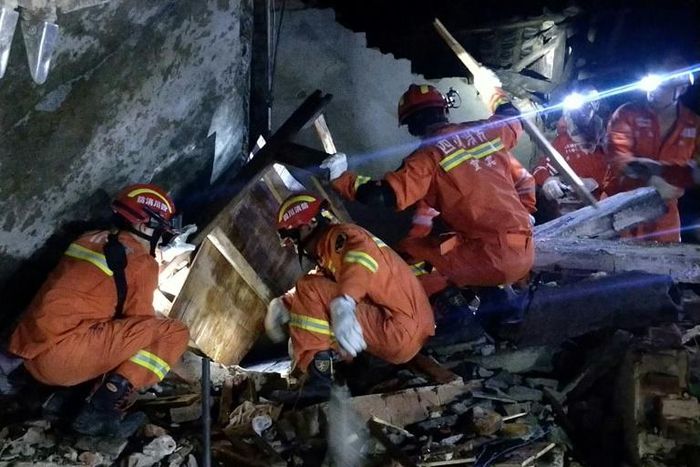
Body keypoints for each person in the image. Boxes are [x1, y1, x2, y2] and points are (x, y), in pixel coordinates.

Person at [320, 77, 535, 301]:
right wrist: (491, 86)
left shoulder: (427, 157)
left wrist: (340, 176)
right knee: (439, 244)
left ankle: (457, 317)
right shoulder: (487, 131)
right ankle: (493, 299)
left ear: (412, 125)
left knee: (415, 257)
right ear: (443, 110)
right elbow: (510, 114)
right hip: (524, 247)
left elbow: (380, 195)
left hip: (489, 259)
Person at [7, 183, 190, 437]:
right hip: (61, 362)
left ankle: (61, 399)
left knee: (110, 326)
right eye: (159, 230)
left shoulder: (86, 239)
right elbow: (140, 325)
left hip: (25, 350)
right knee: (173, 332)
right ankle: (102, 413)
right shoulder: (140, 261)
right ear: (142, 225)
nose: (159, 237)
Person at [264, 192, 435, 391]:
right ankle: (346, 369)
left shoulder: (342, 237)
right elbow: (325, 278)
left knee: (308, 287)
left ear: (308, 225)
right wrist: (284, 303)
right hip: (408, 330)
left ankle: (317, 380)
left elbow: (359, 259)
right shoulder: (328, 251)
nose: (295, 248)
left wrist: (345, 301)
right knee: (313, 290)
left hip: (398, 328)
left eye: (294, 240)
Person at [606, 56, 700, 242]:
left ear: (680, 89)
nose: (653, 91)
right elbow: (618, 154)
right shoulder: (627, 114)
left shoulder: (693, 124)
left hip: (664, 215)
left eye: (661, 86)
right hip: (618, 209)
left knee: (664, 268)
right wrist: (648, 177)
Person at [532, 85, 609, 215]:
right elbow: (541, 168)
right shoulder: (563, 141)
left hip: (601, 210)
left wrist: (597, 182)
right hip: (568, 214)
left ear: (595, 107)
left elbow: (621, 171)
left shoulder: (607, 139)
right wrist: (548, 181)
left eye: (586, 107)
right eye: (576, 112)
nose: (579, 115)